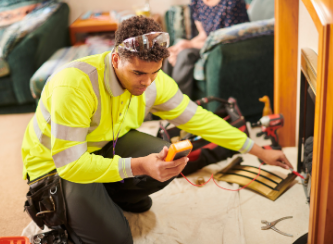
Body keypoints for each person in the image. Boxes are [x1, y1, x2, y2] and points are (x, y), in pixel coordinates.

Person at [21, 16, 292, 244]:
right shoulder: (75, 84)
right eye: (138, 73)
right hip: (57, 168)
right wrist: (137, 166)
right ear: (115, 60)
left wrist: (259, 150)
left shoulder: (154, 81)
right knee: (117, 239)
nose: (147, 82)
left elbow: (199, 119)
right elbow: (71, 165)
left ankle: (108, 196)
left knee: (166, 159)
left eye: (155, 72)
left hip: (105, 147)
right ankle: (77, 210)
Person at [164, 0, 250, 98]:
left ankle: (178, 105)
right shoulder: (197, 2)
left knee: (185, 55)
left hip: (226, 46)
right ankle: (161, 102)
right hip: (209, 43)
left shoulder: (231, 3)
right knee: (171, 53)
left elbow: (226, 39)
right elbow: (204, 34)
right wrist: (179, 47)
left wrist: (188, 45)